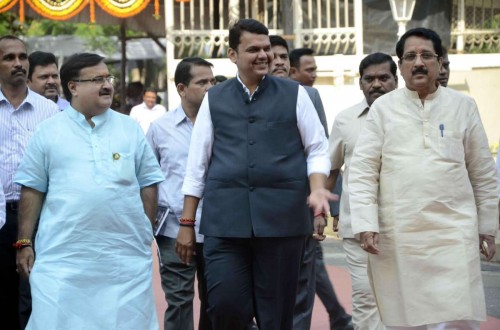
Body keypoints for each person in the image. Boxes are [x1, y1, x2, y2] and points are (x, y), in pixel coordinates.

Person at [177, 19, 334, 330]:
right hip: (225, 223)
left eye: (267, 49)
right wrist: (186, 223)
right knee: (224, 305)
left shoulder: (296, 95)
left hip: (282, 223)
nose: (264, 56)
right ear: (233, 55)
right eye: (254, 50)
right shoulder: (215, 98)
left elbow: (317, 149)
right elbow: (197, 164)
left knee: (276, 317)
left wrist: (316, 191)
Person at [349, 27, 498, 329]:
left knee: (459, 316)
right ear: (401, 65)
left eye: (426, 56)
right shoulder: (383, 109)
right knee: (407, 318)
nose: (418, 62)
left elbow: (482, 172)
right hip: (400, 233)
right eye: (410, 57)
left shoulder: (463, 106)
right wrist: (365, 223)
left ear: (440, 63)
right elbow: (363, 171)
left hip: (453, 233)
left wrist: (487, 226)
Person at [14, 52, 164, 330]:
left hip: (123, 259)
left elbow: (149, 182)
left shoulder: (129, 129)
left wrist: (145, 227)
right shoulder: (48, 131)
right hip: (63, 258)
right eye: (97, 79)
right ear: (73, 87)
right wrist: (24, 242)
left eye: (108, 77)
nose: (107, 84)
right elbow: (32, 189)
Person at [269, 35, 352, 330]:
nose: (277, 61)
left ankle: (335, 316)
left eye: (282, 56)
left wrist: (324, 206)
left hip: (302, 205)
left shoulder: (308, 97)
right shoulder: (239, 98)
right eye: (272, 55)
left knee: (304, 278)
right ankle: (338, 315)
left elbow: (323, 154)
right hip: (260, 211)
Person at [328, 52, 398, 330]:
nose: (376, 84)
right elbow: (331, 169)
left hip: (403, 226)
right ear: (360, 83)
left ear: (396, 80)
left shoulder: (414, 117)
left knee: (402, 300)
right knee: (365, 299)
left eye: (384, 78)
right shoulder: (345, 120)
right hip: (357, 227)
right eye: (369, 79)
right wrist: (322, 210)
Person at [147, 57, 215, 330]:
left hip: (218, 229)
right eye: (202, 82)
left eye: (212, 81)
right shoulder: (160, 129)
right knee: (178, 300)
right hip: (173, 230)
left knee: (217, 300)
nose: (210, 87)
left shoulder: (226, 125)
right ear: (181, 88)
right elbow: (147, 179)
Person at [0, 35, 59, 330]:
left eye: (22, 57)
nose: (18, 63)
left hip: (36, 220)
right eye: (9, 58)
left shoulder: (48, 111)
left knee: (33, 297)